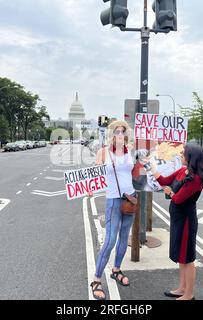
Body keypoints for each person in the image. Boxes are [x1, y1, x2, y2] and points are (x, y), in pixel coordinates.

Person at [148, 143, 203, 300]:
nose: (180, 155)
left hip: (186, 222)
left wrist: (170, 192)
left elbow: (179, 199)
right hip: (178, 220)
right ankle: (182, 288)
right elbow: (164, 180)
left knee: (187, 258)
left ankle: (189, 294)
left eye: (183, 154)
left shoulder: (195, 178)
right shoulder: (183, 171)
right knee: (181, 257)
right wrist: (151, 165)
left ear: (191, 157)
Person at [89, 120, 136, 300]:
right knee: (109, 240)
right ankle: (96, 279)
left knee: (124, 238)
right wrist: (90, 188)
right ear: (111, 134)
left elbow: (138, 170)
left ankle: (116, 269)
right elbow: (94, 173)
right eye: (116, 131)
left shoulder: (130, 150)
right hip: (113, 200)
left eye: (123, 131)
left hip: (130, 198)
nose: (120, 134)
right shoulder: (103, 152)